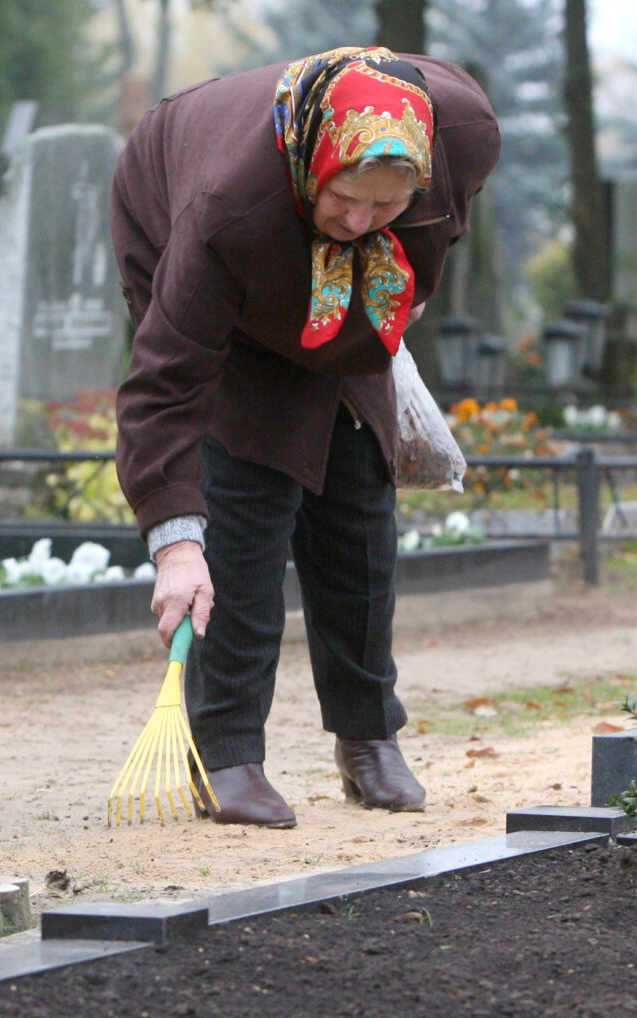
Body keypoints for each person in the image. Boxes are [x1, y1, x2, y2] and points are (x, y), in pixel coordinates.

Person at [111, 46, 500, 828]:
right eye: (346, 199)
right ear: (312, 163)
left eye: (384, 208)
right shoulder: (223, 214)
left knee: (359, 498)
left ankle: (367, 738)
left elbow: (427, 228)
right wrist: (176, 543)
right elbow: (165, 385)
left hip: (343, 291)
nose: (359, 222)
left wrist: (395, 296)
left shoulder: (463, 132)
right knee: (248, 494)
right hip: (195, 237)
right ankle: (225, 753)